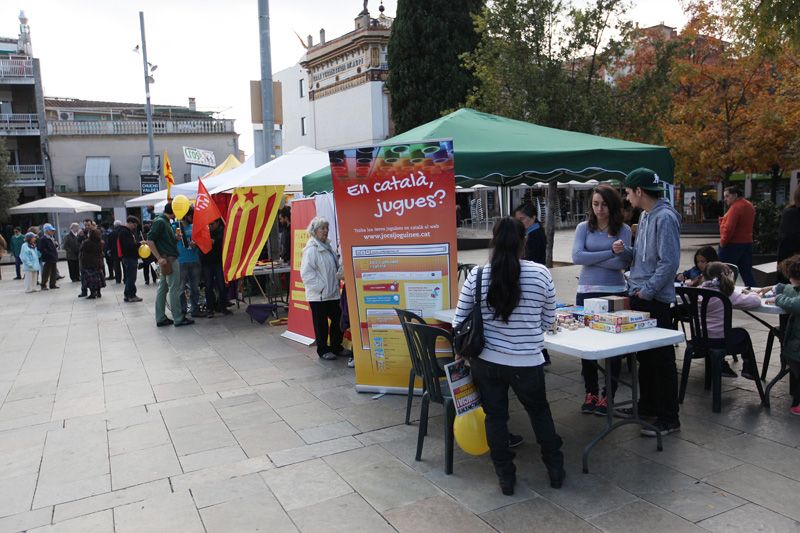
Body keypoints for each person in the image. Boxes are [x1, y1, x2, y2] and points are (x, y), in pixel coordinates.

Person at [452, 217, 563, 495]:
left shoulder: (477, 276)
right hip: (527, 363)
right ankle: (555, 470)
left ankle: (506, 477)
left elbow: (459, 322)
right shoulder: (540, 274)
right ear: (523, 242)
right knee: (540, 414)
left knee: (496, 418)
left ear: (494, 241)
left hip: (486, 363)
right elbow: (549, 319)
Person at [612, 168, 681, 436]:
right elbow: (642, 257)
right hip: (641, 294)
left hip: (653, 299)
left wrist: (647, 291)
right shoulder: (647, 216)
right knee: (647, 358)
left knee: (661, 360)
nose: (627, 198)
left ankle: (668, 418)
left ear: (639, 191)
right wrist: (624, 250)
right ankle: (648, 407)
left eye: (628, 192)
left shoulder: (664, 217)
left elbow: (669, 262)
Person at [572, 185, 632, 415]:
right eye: (595, 204)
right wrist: (610, 252)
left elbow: (621, 263)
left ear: (612, 205)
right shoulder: (583, 227)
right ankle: (591, 392)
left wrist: (592, 258)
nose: (599, 208)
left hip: (616, 290)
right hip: (586, 290)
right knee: (586, 342)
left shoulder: (623, 229)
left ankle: (609, 395)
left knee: (613, 345)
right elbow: (577, 256)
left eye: (604, 204)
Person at [698, 262, 762, 380]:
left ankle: (721, 365)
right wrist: (752, 293)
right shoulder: (726, 294)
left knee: (725, 332)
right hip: (721, 341)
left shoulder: (697, 292)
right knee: (742, 334)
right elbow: (755, 301)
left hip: (700, 339)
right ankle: (749, 368)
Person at [300, 217, 352, 361]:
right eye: (322, 228)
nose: (325, 231)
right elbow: (306, 273)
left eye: (326, 228)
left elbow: (332, 268)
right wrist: (322, 288)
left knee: (338, 319)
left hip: (332, 293)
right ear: (314, 231)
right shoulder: (311, 250)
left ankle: (336, 346)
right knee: (321, 324)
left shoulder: (327, 247)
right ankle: (323, 350)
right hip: (319, 296)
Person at [147, 202, 193, 327]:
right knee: (174, 288)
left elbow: (162, 240)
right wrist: (159, 258)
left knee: (163, 288)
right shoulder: (161, 222)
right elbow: (149, 240)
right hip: (169, 259)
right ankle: (178, 317)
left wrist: (175, 238)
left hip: (167, 259)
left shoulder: (163, 221)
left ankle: (161, 317)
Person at [765, 255, 800, 415]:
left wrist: (778, 298)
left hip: (797, 345)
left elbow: (795, 303)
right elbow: (792, 290)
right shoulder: (796, 287)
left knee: (794, 361)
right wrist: (777, 288)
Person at [718, 185, 756, 286]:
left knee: (725, 272)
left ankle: (725, 294)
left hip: (732, 244)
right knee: (746, 272)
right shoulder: (749, 205)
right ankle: (755, 293)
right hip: (747, 242)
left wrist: (722, 242)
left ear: (735, 195)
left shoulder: (735, 208)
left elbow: (729, 228)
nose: (725, 199)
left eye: (727, 196)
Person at [200, 218, 230, 318]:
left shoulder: (222, 231)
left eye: (212, 224)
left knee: (221, 285)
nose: (210, 226)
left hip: (218, 262)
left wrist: (212, 240)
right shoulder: (205, 231)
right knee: (208, 286)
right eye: (209, 224)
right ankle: (210, 309)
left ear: (217, 223)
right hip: (206, 262)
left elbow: (219, 242)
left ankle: (223, 307)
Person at [176, 207, 204, 317]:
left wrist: (197, 243)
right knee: (181, 288)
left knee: (195, 287)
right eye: (191, 216)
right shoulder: (175, 226)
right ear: (186, 216)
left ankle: (195, 309)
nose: (192, 218)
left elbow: (201, 240)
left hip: (195, 260)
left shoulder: (195, 227)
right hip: (181, 261)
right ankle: (182, 310)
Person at [118, 216, 142, 303]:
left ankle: (127, 295)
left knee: (129, 277)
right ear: (130, 223)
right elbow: (129, 246)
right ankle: (131, 295)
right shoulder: (125, 232)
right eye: (134, 225)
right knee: (131, 277)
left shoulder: (125, 231)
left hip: (129, 257)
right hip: (129, 257)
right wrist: (139, 244)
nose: (135, 227)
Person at [80, 228, 106, 299]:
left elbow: (82, 250)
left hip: (89, 263)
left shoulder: (86, 243)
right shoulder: (101, 242)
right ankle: (98, 292)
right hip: (98, 262)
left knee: (91, 279)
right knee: (98, 278)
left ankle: (92, 293)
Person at [37, 223, 59, 290]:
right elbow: (41, 249)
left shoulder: (51, 238)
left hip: (53, 257)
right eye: (51, 230)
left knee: (53, 272)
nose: (52, 232)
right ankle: (43, 285)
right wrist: (48, 253)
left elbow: (53, 246)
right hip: (47, 258)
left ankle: (52, 284)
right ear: (46, 231)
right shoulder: (43, 239)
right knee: (46, 272)